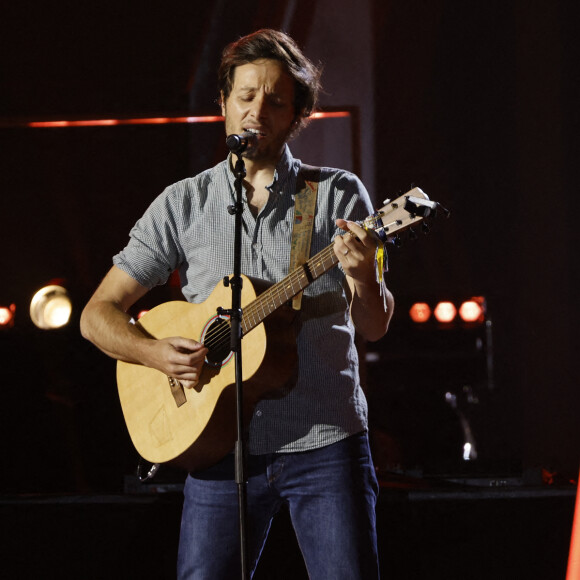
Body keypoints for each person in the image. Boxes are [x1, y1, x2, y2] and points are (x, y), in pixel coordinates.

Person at [80, 28, 394, 579]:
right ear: (223, 103)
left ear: (297, 113)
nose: (257, 111)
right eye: (246, 96)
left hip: (325, 441)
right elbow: (95, 315)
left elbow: (375, 326)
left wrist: (365, 278)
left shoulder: (338, 195)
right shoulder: (182, 203)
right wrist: (155, 355)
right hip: (220, 443)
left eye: (275, 100)